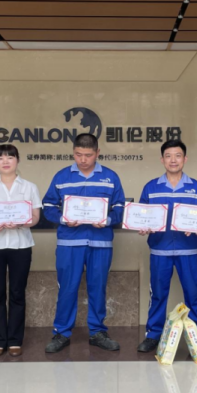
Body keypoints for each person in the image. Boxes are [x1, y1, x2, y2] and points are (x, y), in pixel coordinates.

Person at [41, 133, 126, 353]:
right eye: (78, 154)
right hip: (69, 242)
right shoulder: (62, 176)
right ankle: (61, 332)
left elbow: (120, 208)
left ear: (98, 153)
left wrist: (108, 220)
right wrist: (63, 219)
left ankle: (97, 332)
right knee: (67, 289)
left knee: (98, 288)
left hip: (100, 243)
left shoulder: (111, 177)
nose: (83, 159)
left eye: (88, 155)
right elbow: (48, 206)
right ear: (73, 152)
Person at [136, 139, 197, 353]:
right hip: (160, 250)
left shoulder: (196, 187)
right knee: (158, 294)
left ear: (185, 159)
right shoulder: (151, 187)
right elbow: (142, 215)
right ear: (162, 160)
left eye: (178, 155)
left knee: (193, 294)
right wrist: (143, 226)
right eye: (168, 156)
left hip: (188, 251)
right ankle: (153, 335)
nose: (173, 160)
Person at [0, 144, 41, 358]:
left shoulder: (29, 187)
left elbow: (35, 217)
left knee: (17, 293)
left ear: (17, 160)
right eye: (0, 157)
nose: (5, 161)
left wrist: (22, 222)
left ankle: (14, 341)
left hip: (21, 245)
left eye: (10, 157)